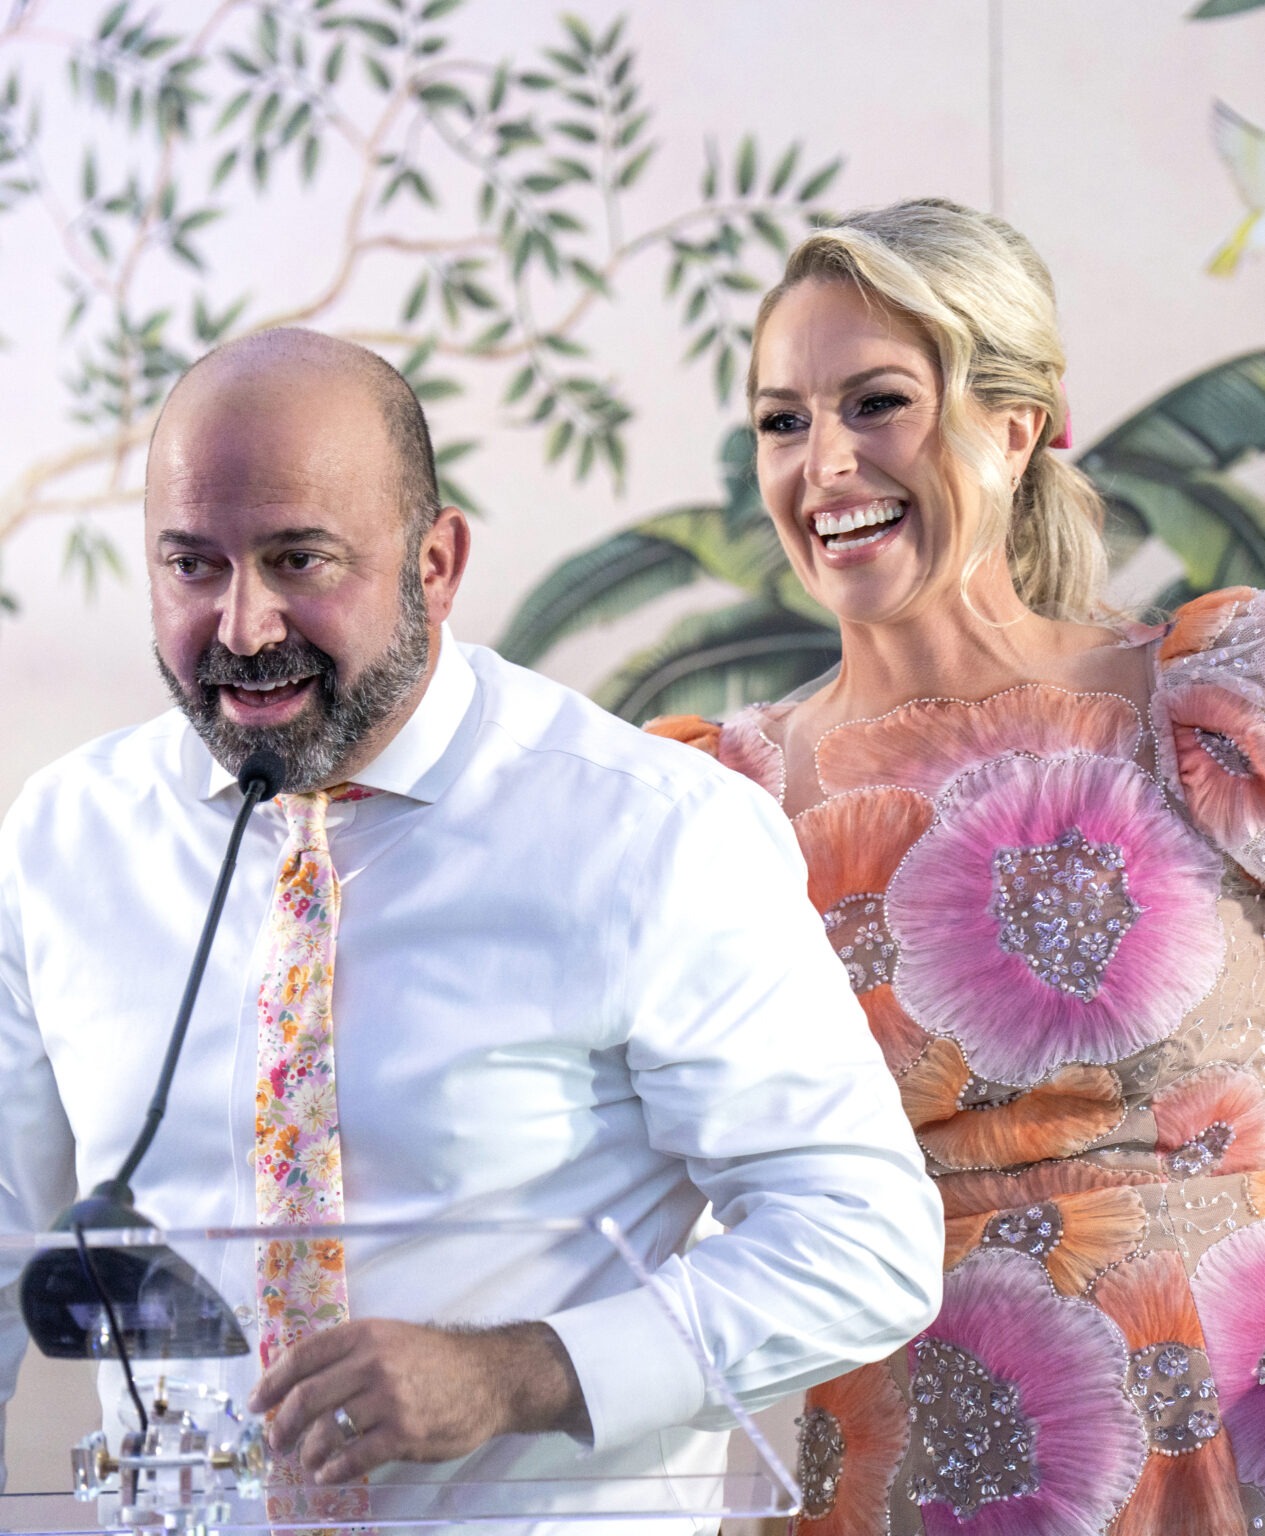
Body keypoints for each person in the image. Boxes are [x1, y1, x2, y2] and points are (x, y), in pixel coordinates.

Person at [0, 328, 943, 1532]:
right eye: (193, 566)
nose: (241, 627)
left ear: (436, 563)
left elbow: (863, 1243)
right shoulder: (66, 836)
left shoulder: (651, 835)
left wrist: (517, 1374)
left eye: (299, 559)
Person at [650, 197, 1265, 1535]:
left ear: (1016, 424)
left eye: (877, 404)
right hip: (905, 1477)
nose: (823, 464)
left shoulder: (1214, 697)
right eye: (782, 420)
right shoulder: (715, 803)